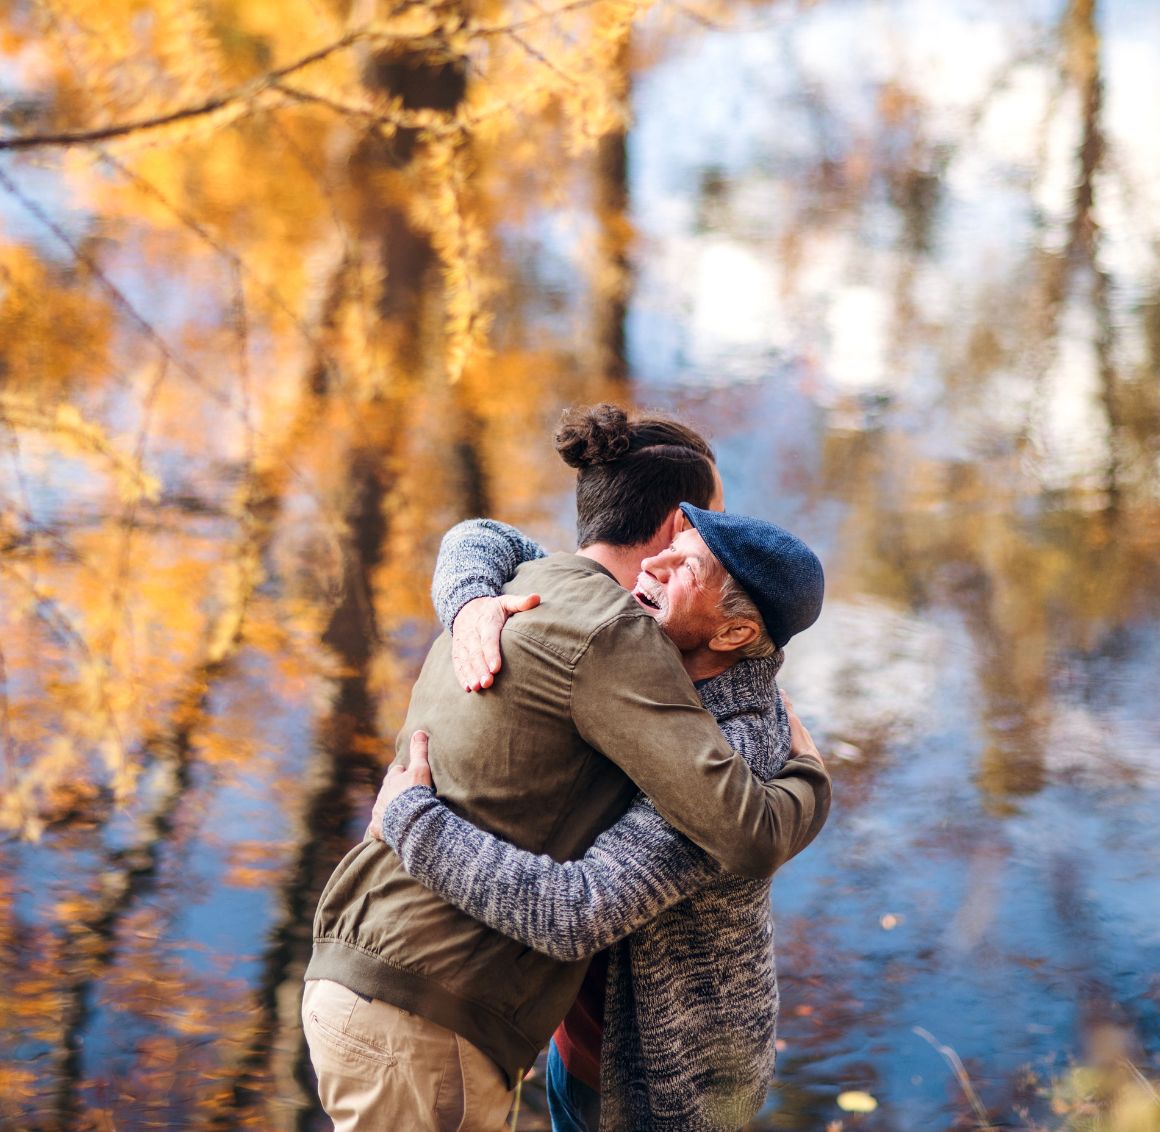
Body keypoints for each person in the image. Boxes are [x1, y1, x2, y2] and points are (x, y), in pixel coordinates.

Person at [302, 404, 829, 1131]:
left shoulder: (549, 595)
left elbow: (598, 900)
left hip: (644, 1082)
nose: (660, 563)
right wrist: (468, 598)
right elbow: (478, 536)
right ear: (674, 521)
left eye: (693, 561)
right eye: (696, 528)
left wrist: (804, 773)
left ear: (739, 628)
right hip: (425, 1013)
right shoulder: (604, 627)